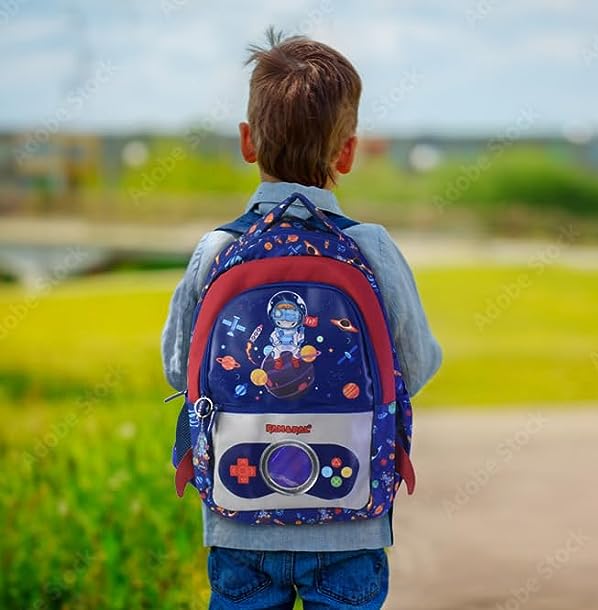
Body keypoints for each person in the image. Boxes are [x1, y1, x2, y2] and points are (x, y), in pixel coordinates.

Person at [161, 28, 441, 610]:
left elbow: (176, 368)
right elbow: (415, 364)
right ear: (347, 151)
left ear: (247, 142)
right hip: (352, 515)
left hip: (239, 514)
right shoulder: (371, 247)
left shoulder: (216, 250)